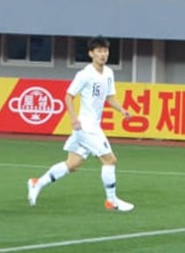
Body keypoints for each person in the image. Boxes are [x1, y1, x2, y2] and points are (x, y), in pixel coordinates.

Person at [28, 36, 135, 211]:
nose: (103, 54)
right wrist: (73, 119)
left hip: (92, 126)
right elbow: (68, 96)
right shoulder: (85, 74)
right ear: (91, 53)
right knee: (110, 160)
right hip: (86, 127)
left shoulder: (108, 73)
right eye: (99, 51)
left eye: (105, 51)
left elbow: (109, 97)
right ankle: (112, 201)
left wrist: (121, 110)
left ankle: (36, 183)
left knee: (73, 163)